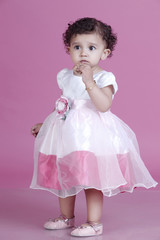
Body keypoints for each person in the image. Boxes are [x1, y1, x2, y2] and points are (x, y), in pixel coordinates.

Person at [30, 17, 157, 237]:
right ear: (69, 49)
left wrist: (90, 82)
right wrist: (47, 123)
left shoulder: (104, 77)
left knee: (92, 179)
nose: (83, 53)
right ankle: (66, 217)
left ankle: (93, 222)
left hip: (93, 137)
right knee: (64, 175)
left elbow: (104, 105)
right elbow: (64, 103)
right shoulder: (66, 76)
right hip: (67, 135)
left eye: (91, 48)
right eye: (77, 47)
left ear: (104, 53)